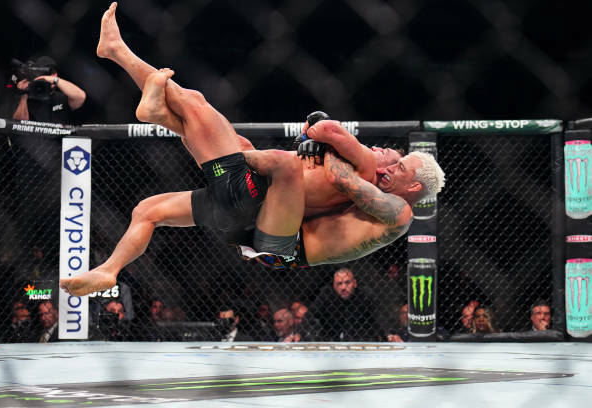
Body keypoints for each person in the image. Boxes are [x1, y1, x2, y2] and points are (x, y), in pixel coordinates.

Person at [60, 2, 444, 296]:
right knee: (149, 207)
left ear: (414, 186)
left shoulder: (397, 209)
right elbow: (324, 158)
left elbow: (334, 157)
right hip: (262, 222)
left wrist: (321, 146)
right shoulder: (368, 188)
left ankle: (166, 114)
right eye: (390, 159)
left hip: (281, 245)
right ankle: (109, 269)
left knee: (273, 159)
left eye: (398, 166)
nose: (386, 164)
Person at [307, 268, 383, 342]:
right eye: (339, 284)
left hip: (361, 340)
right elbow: (310, 315)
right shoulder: (326, 294)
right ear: (334, 286)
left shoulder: (365, 294)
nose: (343, 287)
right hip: (332, 341)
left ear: (354, 283)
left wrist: (386, 334)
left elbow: (380, 316)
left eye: (347, 282)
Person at [12, 56, 86, 123]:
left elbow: (80, 97)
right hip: (31, 133)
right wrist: (23, 96)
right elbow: (19, 125)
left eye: (50, 73)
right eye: (43, 73)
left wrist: (55, 80)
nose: (48, 76)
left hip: (58, 134)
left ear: (55, 74)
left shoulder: (61, 98)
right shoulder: (26, 97)